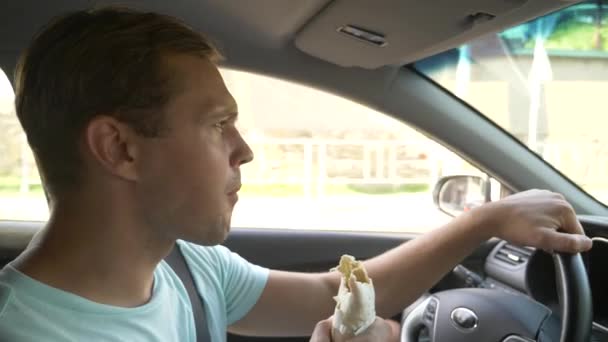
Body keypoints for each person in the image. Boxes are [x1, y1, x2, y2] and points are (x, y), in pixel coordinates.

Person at [0, 7, 592, 342]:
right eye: (218, 124)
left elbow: (332, 295)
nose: (244, 150)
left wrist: (482, 221)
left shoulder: (182, 263)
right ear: (119, 149)